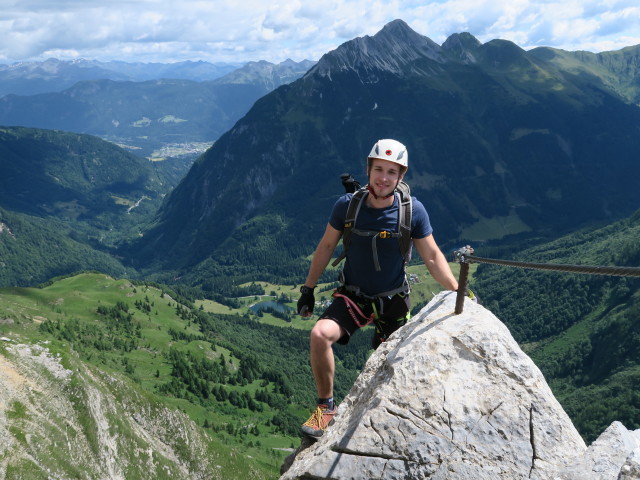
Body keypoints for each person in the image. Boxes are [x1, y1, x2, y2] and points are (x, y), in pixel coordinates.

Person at [296, 138, 459, 439]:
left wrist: (459, 292)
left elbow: (433, 256)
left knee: (388, 363)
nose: (384, 178)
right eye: (379, 169)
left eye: (392, 172)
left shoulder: (412, 211)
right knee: (319, 335)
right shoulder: (347, 206)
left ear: (401, 177)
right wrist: (308, 288)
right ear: (369, 170)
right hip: (353, 296)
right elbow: (326, 246)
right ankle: (325, 408)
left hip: (392, 300)